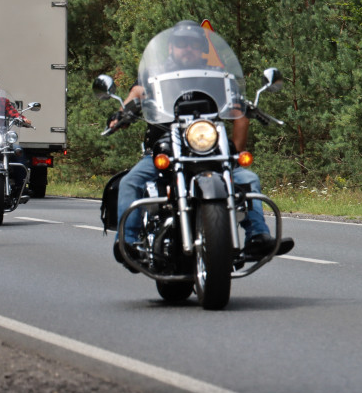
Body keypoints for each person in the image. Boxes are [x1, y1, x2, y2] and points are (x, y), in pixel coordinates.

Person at [114, 20, 293, 264]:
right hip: (165, 149)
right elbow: (137, 93)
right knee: (130, 182)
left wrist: (235, 154)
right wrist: (123, 112)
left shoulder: (217, 76)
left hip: (209, 150)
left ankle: (258, 237)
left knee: (249, 179)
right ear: (171, 48)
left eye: (194, 45)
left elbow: (238, 112)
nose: (188, 49)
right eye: (181, 44)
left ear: (202, 49)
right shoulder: (155, 75)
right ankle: (128, 243)